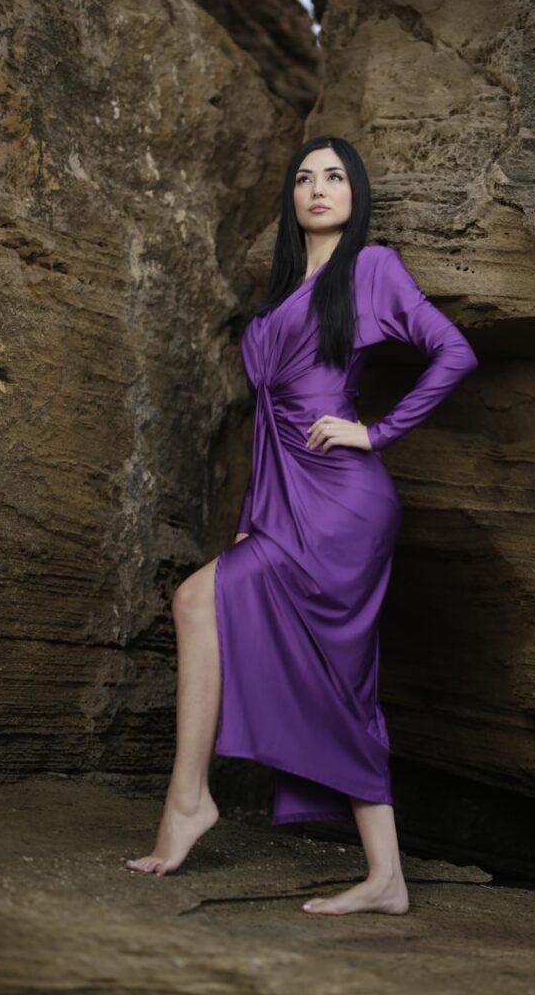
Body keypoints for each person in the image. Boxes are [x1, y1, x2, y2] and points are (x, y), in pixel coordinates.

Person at [125, 135, 479, 916]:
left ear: (355, 195)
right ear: (292, 198)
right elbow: (267, 425)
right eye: (305, 178)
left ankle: (192, 801)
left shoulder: (371, 268)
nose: (318, 188)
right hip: (289, 505)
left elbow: (454, 353)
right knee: (270, 642)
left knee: (238, 624)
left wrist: (375, 432)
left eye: (335, 177)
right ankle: (381, 874)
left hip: (345, 502)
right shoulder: (284, 295)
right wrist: (255, 518)